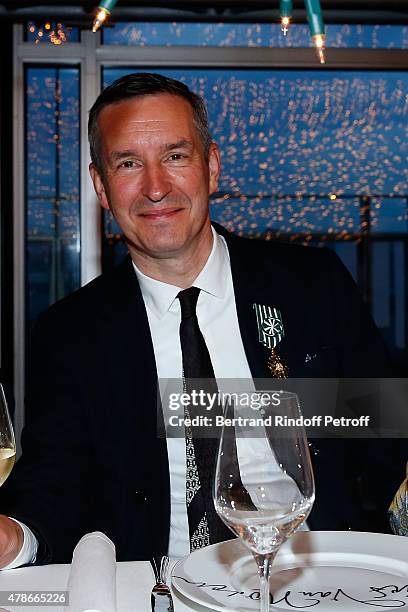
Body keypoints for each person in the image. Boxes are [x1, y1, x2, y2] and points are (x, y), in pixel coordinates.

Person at [0, 73, 403, 567]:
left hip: (319, 580)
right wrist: (16, 536)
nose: (155, 188)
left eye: (175, 156)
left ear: (210, 166)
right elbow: (53, 481)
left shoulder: (311, 286)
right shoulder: (71, 334)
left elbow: (383, 438)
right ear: (101, 186)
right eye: (128, 164)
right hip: (161, 589)